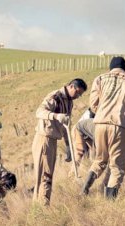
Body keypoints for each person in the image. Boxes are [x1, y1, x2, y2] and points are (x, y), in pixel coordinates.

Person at [81, 56, 125, 199]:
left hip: (100, 124)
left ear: (111, 67)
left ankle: (85, 188)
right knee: (117, 166)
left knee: (100, 159)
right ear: (124, 68)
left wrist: (102, 114)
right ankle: (109, 201)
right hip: (120, 125)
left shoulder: (99, 79)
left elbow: (93, 104)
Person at [32, 78, 87, 206]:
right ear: (71, 86)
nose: (78, 96)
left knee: (49, 175)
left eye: (80, 94)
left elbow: (66, 125)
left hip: (53, 140)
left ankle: (44, 204)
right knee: (43, 175)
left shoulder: (69, 103)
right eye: (78, 92)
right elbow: (39, 112)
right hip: (44, 138)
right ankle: (39, 208)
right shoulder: (55, 96)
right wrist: (56, 116)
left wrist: (68, 145)